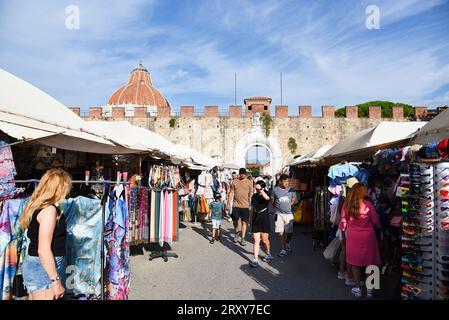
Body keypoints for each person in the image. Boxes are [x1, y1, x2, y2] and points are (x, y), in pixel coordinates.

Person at [19, 168, 71, 300]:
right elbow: (43, 249)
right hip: (43, 268)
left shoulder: (37, 207)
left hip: (38, 266)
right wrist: (56, 281)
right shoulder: (49, 211)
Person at [340, 183, 381, 298]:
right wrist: (379, 227)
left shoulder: (347, 205)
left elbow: (343, 222)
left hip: (353, 237)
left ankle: (358, 289)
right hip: (368, 236)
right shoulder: (368, 204)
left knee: (355, 263)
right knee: (370, 262)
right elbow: (376, 220)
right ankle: (370, 289)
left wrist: (343, 234)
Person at [249, 180, 273, 268]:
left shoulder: (266, 193)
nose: (256, 187)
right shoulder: (254, 196)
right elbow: (252, 208)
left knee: (265, 240)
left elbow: (267, 199)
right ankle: (255, 259)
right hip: (256, 218)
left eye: (257, 186)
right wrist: (250, 220)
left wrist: (261, 190)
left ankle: (268, 254)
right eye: (256, 186)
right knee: (256, 240)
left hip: (264, 219)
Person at [272, 174, 295, 257]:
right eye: (285, 181)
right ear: (280, 181)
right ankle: (283, 249)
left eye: (288, 181)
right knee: (279, 232)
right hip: (277, 214)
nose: (286, 183)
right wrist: (277, 208)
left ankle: (287, 241)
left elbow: (293, 200)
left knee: (290, 232)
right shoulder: (275, 190)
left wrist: (288, 206)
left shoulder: (291, 189)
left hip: (288, 214)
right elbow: (273, 201)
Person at [229, 168, 253, 246]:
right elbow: (231, 192)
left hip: (245, 205)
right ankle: (236, 232)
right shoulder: (234, 181)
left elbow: (251, 193)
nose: (242, 175)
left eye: (243, 174)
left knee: (244, 222)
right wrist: (228, 203)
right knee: (235, 220)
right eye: (240, 174)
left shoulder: (249, 182)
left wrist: (251, 202)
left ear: (245, 174)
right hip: (236, 204)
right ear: (239, 173)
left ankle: (243, 237)